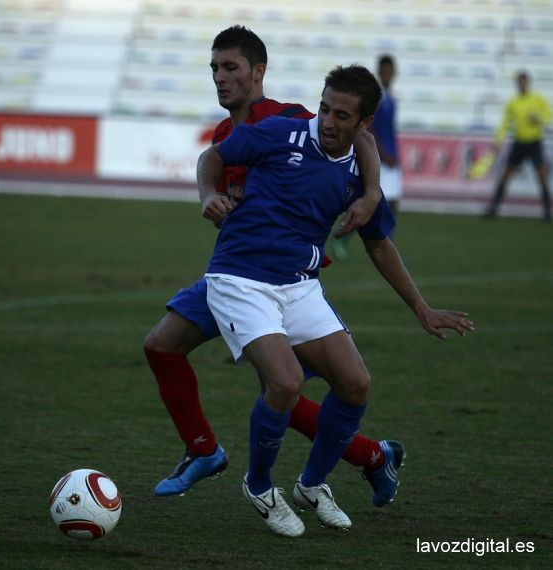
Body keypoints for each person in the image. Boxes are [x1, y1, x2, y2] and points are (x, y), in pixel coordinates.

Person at [199, 64, 475, 537]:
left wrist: (421, 308)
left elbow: (380, 245)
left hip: (299, 285)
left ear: (363, 124)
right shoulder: (281, 134)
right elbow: (214, 156)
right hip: (239, 278)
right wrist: (208, 193)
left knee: (355, 383)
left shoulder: (357, 176)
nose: (327, 121)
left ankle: (312, 484)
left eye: (342, 115)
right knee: (284, 383)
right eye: (325, 108)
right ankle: (260, 486)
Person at [143, 26, 404, 507]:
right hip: (236, 273)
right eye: (215, 69)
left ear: (258, 72)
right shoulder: (227, 134)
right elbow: (214, 166)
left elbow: (359, 140)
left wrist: (369, 194)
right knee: (163, 346)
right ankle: (203, 450)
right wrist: (213, 198)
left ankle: (367, 458)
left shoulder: (289, 118)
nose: (221, 78)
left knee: (281, 387)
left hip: (285, 279)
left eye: (231, 68)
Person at [332, 54, 401, 261]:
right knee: (378, 204)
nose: (388, 74)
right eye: (385, 71)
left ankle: (390, 248)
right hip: (382, 158)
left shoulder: (392, 98)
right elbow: (369, 130)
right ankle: (342, 236)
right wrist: (383, 154)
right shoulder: (377, 100)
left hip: (392, 158)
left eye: (391, 71)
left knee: (393, 205)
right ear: (380, 72)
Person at [485, 70, 552, 221]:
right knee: (505, 175)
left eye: (524, 82)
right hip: (519, 143)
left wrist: (538, 119)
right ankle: (493, 207)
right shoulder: (513, 102)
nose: (522, 85)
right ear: (517, 84)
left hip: (534, 142)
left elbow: (550, 116)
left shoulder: (537, 99)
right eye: (520, 83)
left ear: (528, 83)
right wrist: (498, 139)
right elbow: (505, 123)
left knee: (542, 176)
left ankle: (547, 210)